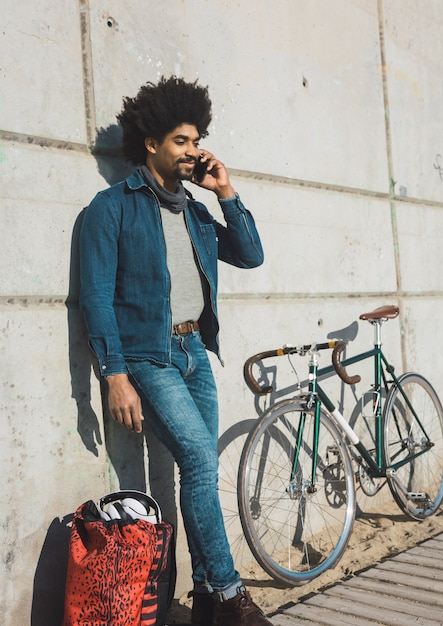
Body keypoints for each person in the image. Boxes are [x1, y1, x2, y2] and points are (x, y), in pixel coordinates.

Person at [79, 76, 272, 626]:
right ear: (151, 143)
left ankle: (207, 595)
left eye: (197, 141)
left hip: (195, 352)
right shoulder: (111, 208)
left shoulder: (193, 210)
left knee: (199, 468)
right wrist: (114, 376)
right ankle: (233, 597)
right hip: (149, 356)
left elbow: (251, 255)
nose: (194, 152)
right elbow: (95, 297)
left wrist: (225, 192)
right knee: (196, 459)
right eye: (183, 142)